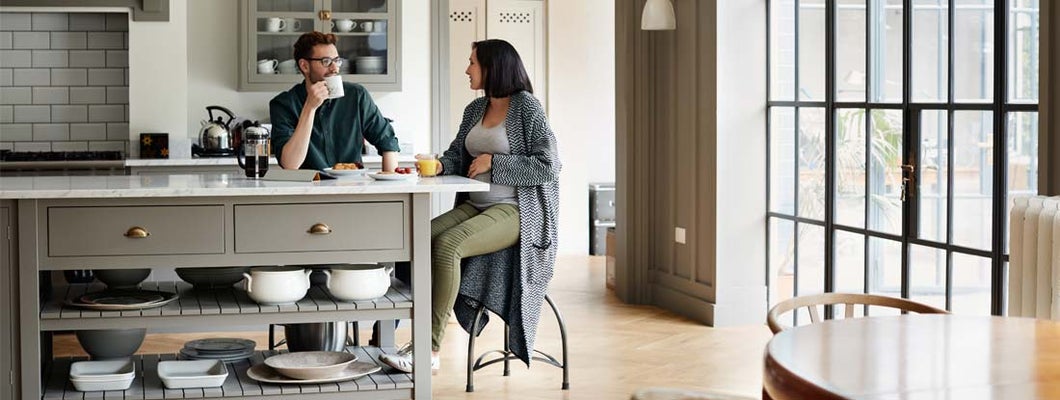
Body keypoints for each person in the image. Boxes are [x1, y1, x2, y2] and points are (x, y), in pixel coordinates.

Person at [379, 39, 561, 373]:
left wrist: (496, 161)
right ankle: (409, 330)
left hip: (516, 211)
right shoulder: (475, 110)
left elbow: (549, 165)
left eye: (472, 62)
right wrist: (436, 165)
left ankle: (429, 351)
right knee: (413, 237)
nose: (467, 69)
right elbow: (457, 155)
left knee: (447, 246)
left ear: (493, 67)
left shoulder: (526, 107)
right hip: (476, 205)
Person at [269, 31, 399, 171]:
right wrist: (310, 107)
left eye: (337, 60)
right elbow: (290, 164)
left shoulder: (356, 95)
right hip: (308, 189)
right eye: (326, 62)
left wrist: (389, 180)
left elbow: (387, 142)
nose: (334, 68)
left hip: (352, 187)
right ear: (304, 66)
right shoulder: (283, 104)